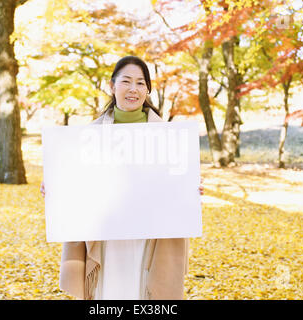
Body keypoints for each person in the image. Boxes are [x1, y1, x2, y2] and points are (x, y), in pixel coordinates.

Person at [40, 56, 204, 300]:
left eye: (140, 83)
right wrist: (58, 187)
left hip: (149, 237)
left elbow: (176, 183)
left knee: (143, 293)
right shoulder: (89, 136)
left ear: (147, 90)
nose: (133, 89)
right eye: (126, 81)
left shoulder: (167, 137)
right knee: (109, 293)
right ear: (112, 86)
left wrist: (190, 189)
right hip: (108, 239)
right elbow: (79, 185)